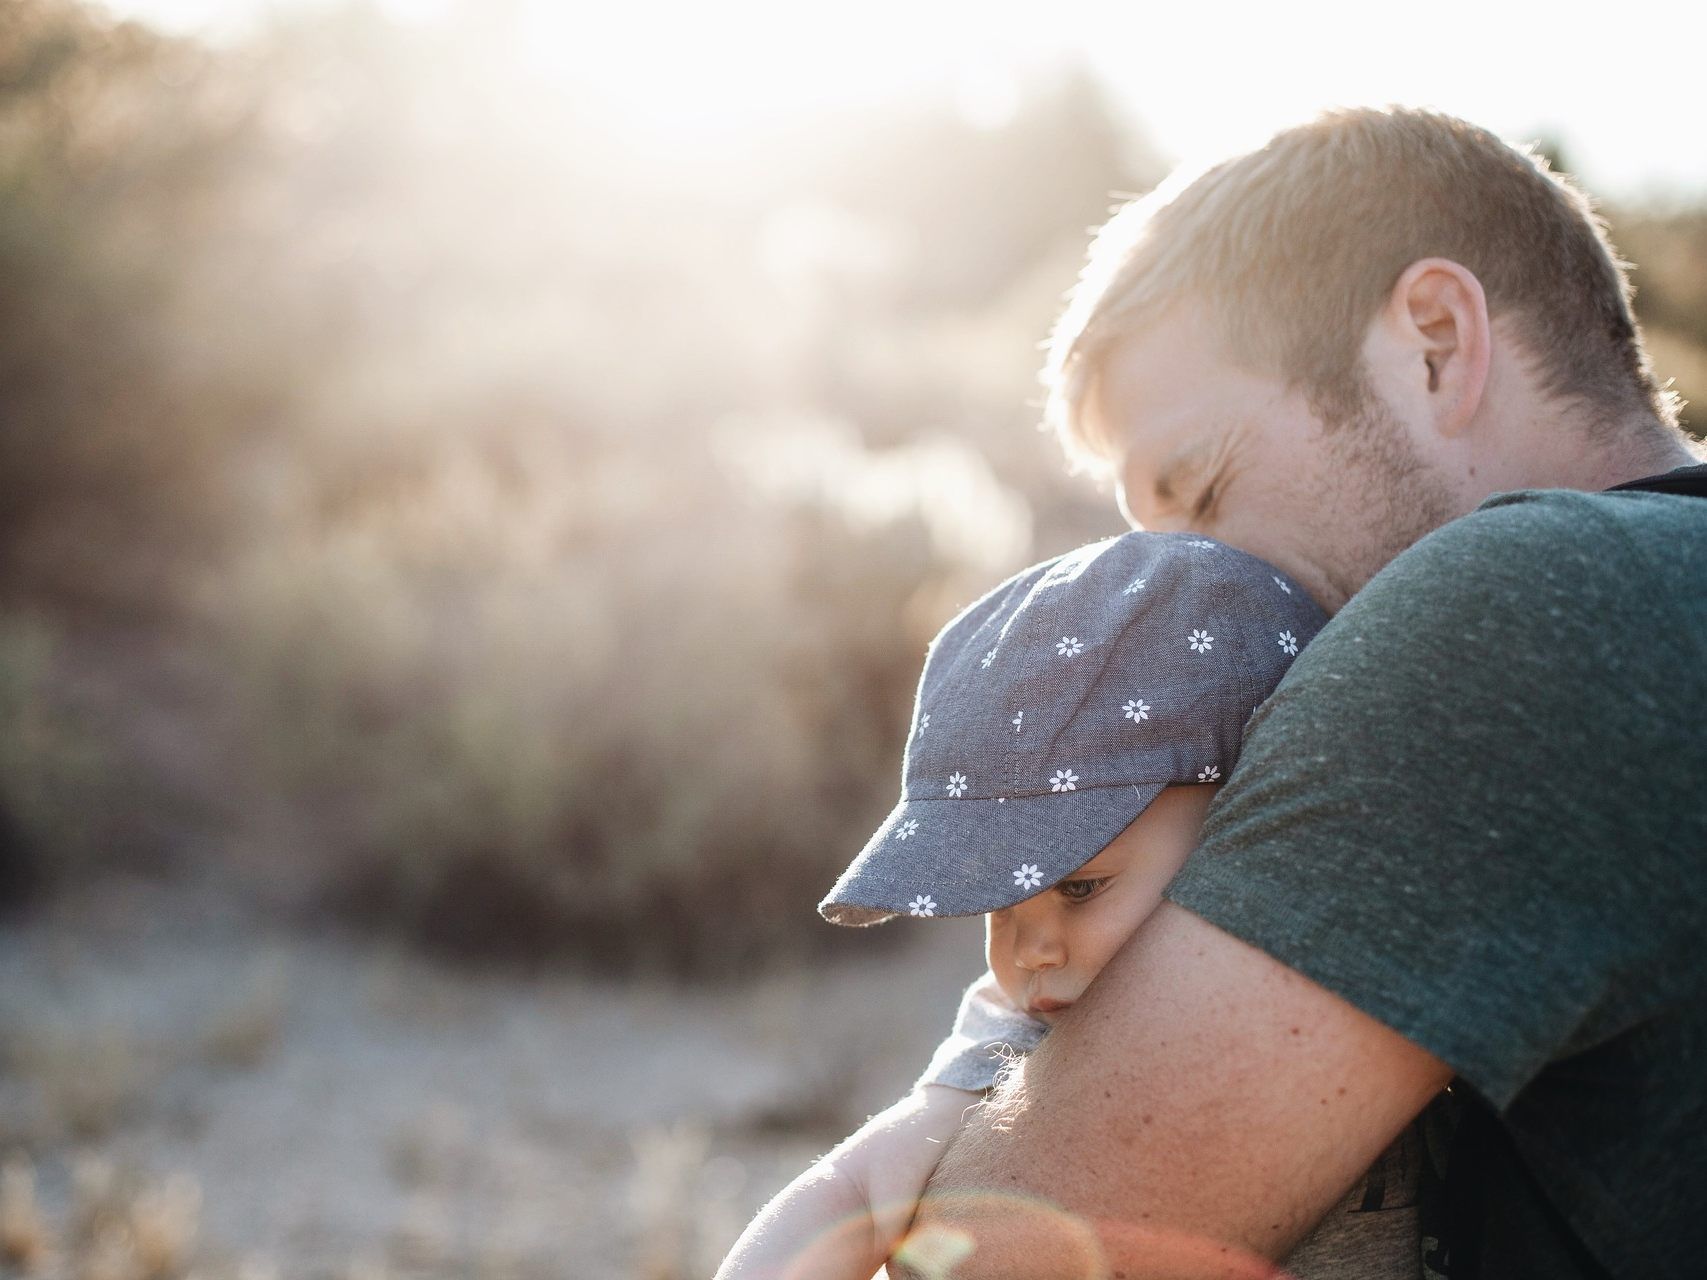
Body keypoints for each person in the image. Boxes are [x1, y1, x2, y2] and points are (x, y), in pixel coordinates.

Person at [897, 107, 1707, 1278]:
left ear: (1435, 340)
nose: (1176, 593)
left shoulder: (1518, 607)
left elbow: (998, 1263)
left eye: (1203, 491)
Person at [716, 529, 1435, 1280]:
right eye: (998, 906)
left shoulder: (1371, 949)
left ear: (1247, 819)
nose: (1030, 950)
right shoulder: (1023, 1033)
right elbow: (855, 1186)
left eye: (1080, 887)